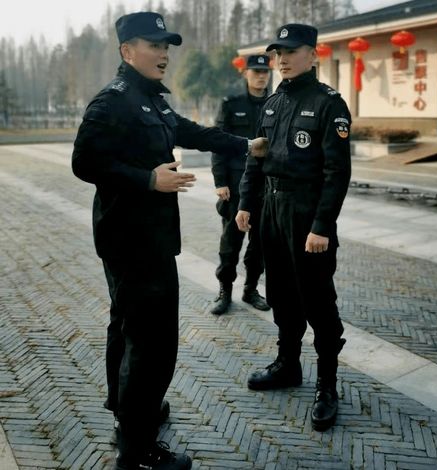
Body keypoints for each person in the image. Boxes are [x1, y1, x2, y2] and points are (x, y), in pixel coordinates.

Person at [72, 12, 267, 470]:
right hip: (131, 239)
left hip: (148, 238)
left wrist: (244, 146)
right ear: (127, 51)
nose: (164, 54)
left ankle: (127, 411)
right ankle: (137, 451)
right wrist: (147, 180)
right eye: (154, 45)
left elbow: (191, 131)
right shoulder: (113, 101)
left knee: (128, 329)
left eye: (166, 47)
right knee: (151, 342)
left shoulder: (151, 100)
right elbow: (84, 162)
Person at [236, 23, 351, 433]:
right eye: (277, 53)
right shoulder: (271, 104)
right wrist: (246, 202)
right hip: (272, 208)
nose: (281, 59)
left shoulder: (328, 104)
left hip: (307, 214)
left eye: (290, 51)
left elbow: (337, 173)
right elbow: (256, 157)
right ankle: (288, 364)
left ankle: (327, 384)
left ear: (313, 55)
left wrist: (322, 225)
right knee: (281, 292)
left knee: (317, 298)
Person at [210, 54, 272, 315]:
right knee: (230, 244)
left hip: (265, 187)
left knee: (260, 244)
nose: (261, 76)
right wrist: (220, 181)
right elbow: (219, 143)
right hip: (235, 187)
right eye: (256, 71)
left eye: (265, 72)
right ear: (245, 73)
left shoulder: (275, 104)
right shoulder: (231, 104)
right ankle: (224, 291)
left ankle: (250, 289)